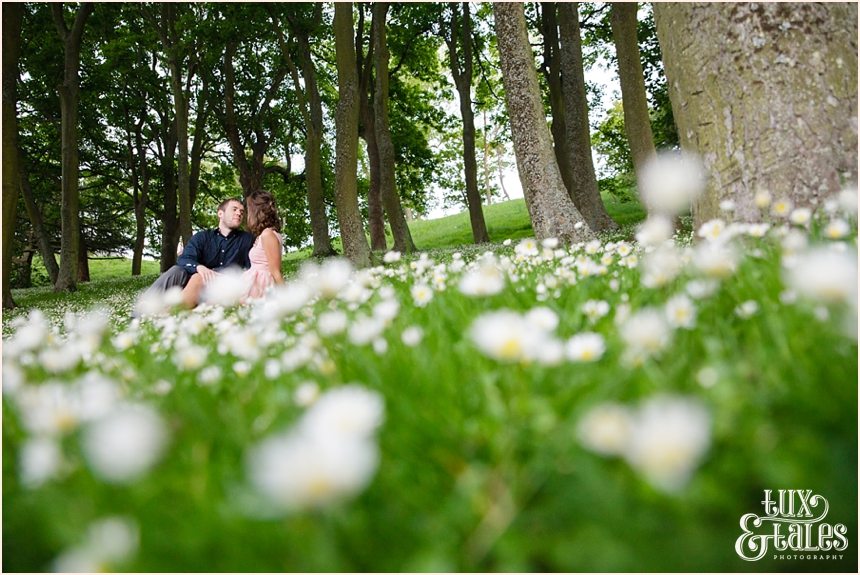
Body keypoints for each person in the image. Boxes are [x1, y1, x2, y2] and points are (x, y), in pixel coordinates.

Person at [140, 198, 254, 309]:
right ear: (220, 213)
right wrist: (199, 267)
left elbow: (251, 269)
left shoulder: (247, 240)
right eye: (234, 209)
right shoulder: (202, 237)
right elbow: (184, 259)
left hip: (222, 287)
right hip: (194, 281)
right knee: (176, 270)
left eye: (241, 212)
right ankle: (144, 308)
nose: (239, 213)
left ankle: (171, 311)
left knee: (199, 278)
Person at [239, 190, 284, 301]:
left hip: (262, 286)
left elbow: (275, 271)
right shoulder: (264, 234)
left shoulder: (267, 234)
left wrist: (287, 298)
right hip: (254, 283)